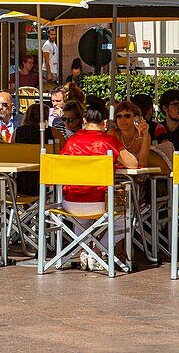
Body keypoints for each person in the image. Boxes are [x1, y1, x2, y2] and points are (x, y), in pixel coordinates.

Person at [59, 101, 143, 270]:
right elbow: (133, 164)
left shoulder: (71, 142)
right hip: (99, 202)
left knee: (82, 219)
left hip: (70, 203)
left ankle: (85, 249)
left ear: (83, 120)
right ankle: (96, 250)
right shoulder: (108, 141)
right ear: (105, 123)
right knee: (126, 219)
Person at [110, 100, 151, 167]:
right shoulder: (113, 134)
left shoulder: (144, 136)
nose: (123, 120)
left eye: (127, 116)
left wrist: (145, 135)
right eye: (119, 116)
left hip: (138, 176)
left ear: (136, 118)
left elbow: (143, 163)